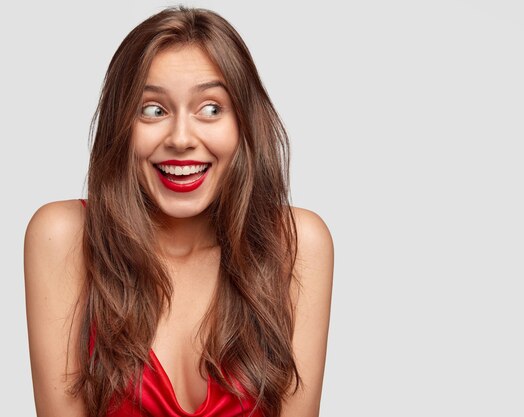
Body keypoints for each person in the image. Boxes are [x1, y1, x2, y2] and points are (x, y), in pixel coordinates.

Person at [24, 6, 333, 417]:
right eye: (153, 109)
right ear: (121, 124)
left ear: (243, 123)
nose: (182, 138)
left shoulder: (297, 244)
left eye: (211, 108)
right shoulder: (63, 237)